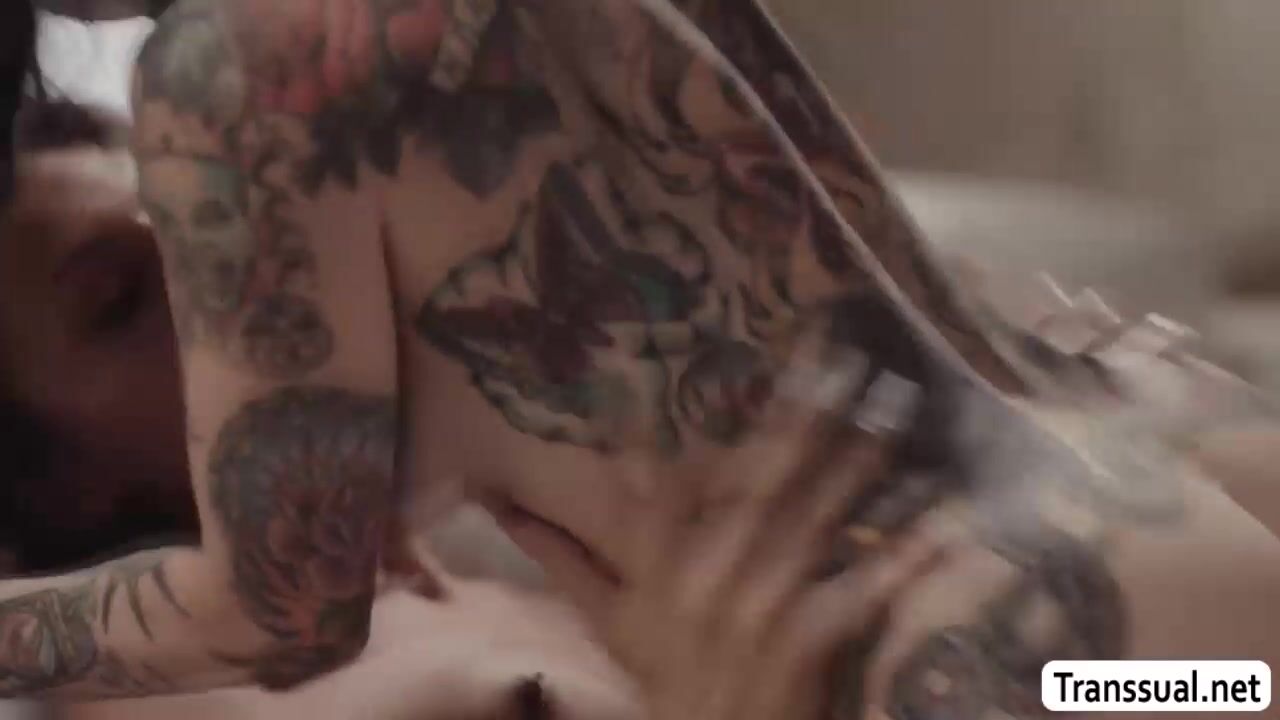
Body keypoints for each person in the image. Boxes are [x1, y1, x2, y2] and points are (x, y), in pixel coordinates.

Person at [5, 1, 1280, 719]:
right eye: (121, 299)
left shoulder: (221, 79)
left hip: (991, 656)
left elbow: (280, 605)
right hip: (1124, 509)